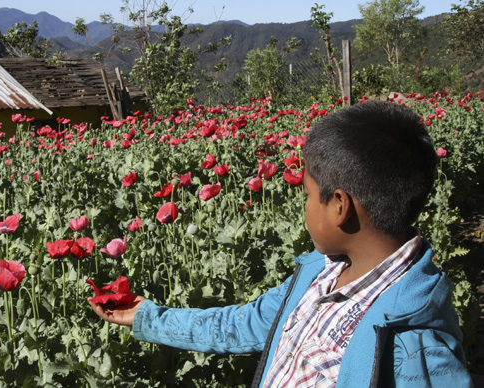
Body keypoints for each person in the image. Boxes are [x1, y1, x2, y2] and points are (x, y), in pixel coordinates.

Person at [88, 101, 473, 387]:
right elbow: (243, 324)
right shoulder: (319, 274)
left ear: (340, 206)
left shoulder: (415, 342)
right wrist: (148, 318)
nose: (303, 205)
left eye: (306, 195)